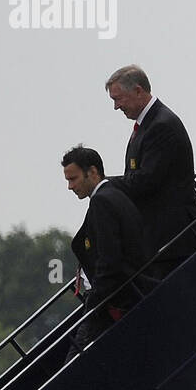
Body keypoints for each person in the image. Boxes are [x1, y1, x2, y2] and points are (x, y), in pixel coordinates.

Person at [105, 65, 196, 274]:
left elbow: (146, 181)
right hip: (161, 239)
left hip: (174, 238)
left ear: (138, 91)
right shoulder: (148, 124)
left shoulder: (161, 125)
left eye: (118, 99)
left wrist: (104, 184)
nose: (116, 106)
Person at [63, 145, 149, 355]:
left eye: (73, 179)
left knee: (75, 367)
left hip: (113, 301)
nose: (70, 186)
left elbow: (110, 259)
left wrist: (95, 300)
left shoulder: (102, 201)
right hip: (122, 295)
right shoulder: (115, 195)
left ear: (92, 172)